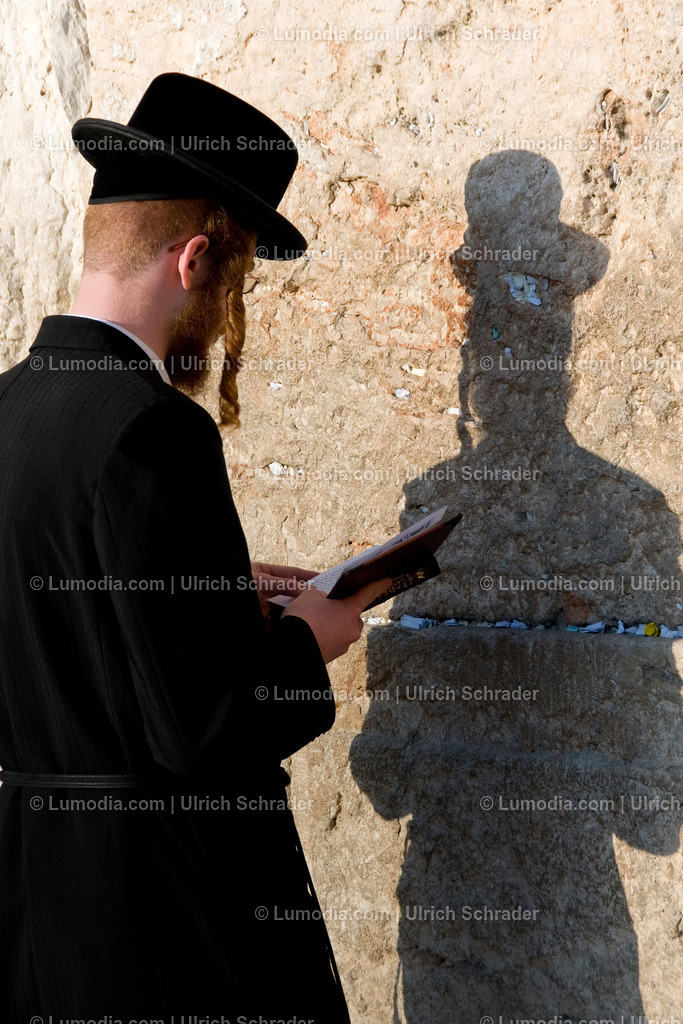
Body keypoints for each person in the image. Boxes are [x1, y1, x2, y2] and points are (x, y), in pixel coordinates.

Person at [0, 72, 389, 1020]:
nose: (231, 306)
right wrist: (312, 637)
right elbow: (200, 733)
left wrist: (212, 593)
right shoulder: (151, 430)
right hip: (165, 913)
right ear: (194, 260)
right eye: (241, 274)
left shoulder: (11, 405)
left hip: (33, 897)